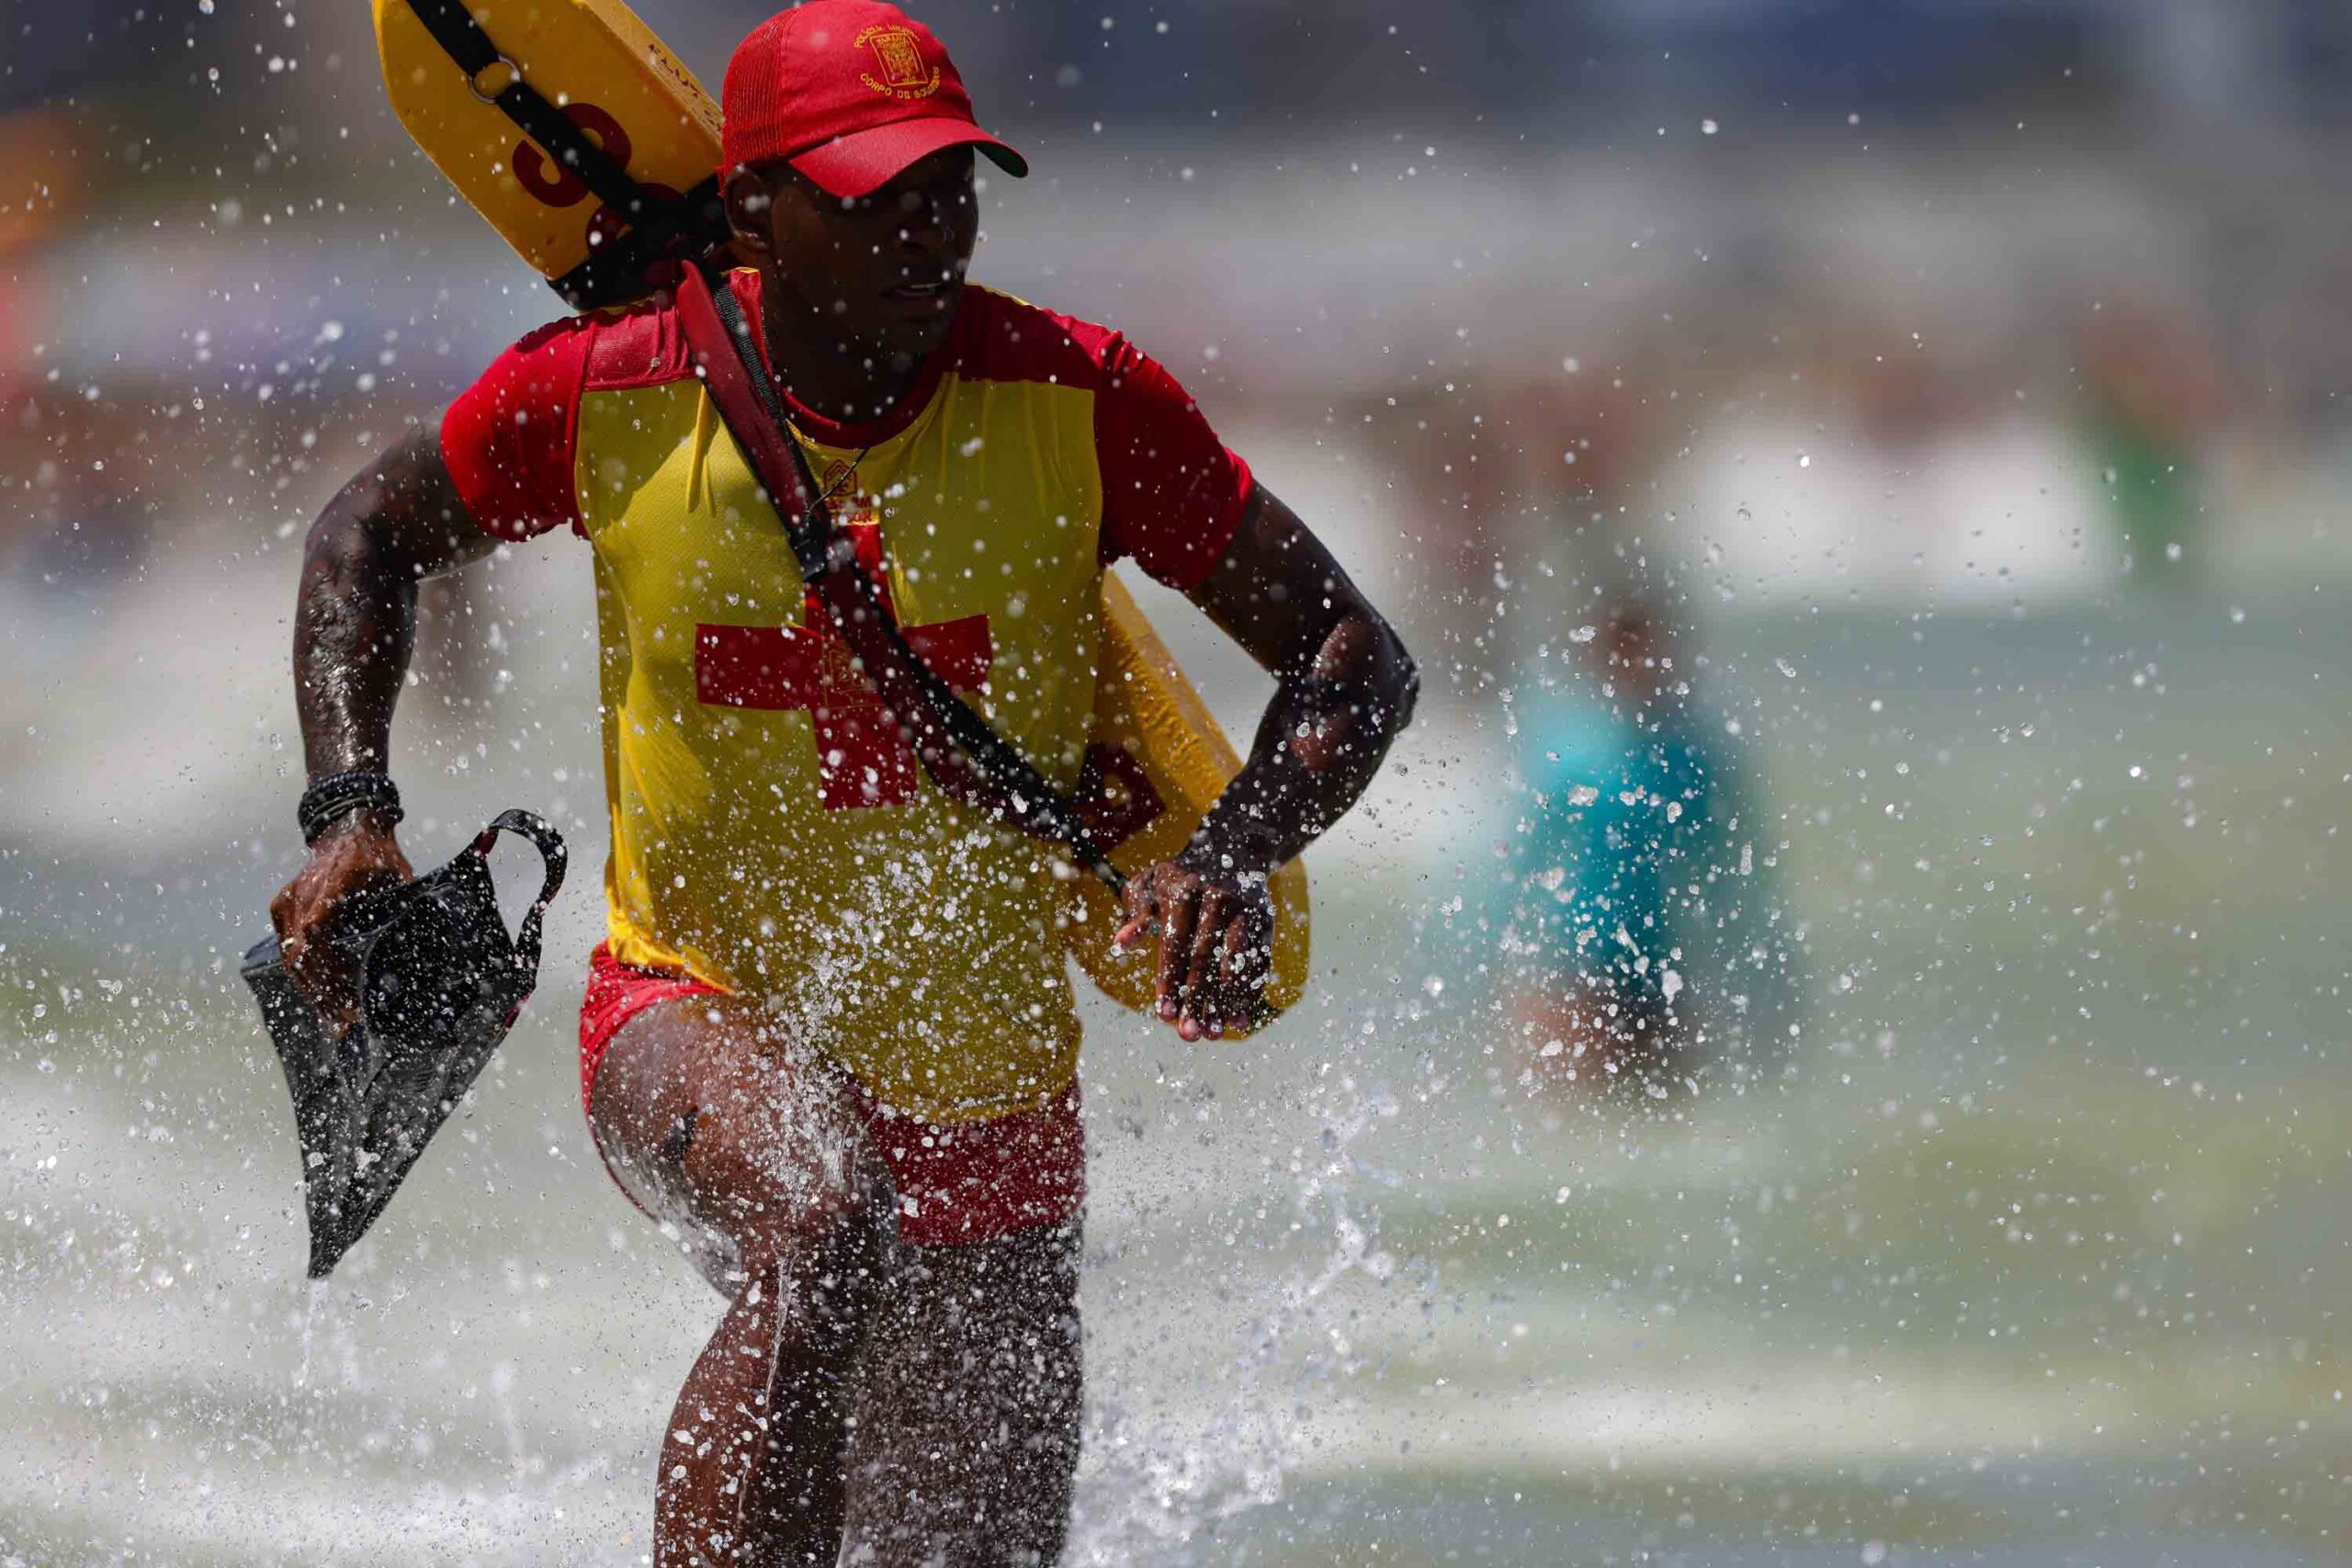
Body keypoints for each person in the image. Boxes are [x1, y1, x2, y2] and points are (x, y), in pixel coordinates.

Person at [267, 3, 1416, 1562]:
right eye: (876, 195)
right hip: (685, 1012)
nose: (927, 231)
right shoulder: (611, 391)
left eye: (951, 189)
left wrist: (1224, 854)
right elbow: (366, 536)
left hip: (998, 1083)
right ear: (753, 211)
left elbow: (1351, 648)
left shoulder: (1081, 401)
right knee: (821, 1216)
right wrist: (352, 814)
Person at [1501, 599, 1786, 1098]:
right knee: (1573, 1133)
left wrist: (1761, 982)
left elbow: (1732, 876)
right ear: (1602, 661)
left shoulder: (1695, 758)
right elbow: (1519, 867)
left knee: (1660, 1142)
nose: (1638, 667)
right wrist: (1510, 977)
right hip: (1574, 968)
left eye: (1648, 653)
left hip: (1662, 969)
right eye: (1624, 654)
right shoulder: (1566, 751)